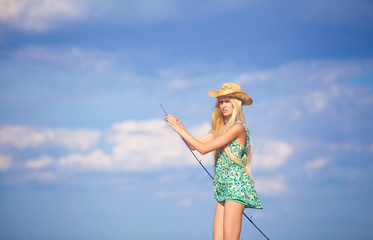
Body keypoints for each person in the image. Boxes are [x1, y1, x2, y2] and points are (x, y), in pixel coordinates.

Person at [164, 82, 262, 240]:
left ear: (236, 103)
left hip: (236, 187)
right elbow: (194, 146)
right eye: (221, 101)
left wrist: (179, 129)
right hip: (223, 188)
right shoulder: (220, 129)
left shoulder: (238, 127)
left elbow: (203, 149)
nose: (223, 105)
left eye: (227, 101)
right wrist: (181, 126)